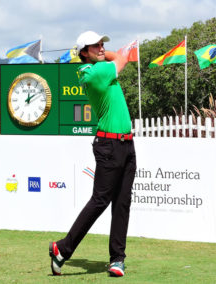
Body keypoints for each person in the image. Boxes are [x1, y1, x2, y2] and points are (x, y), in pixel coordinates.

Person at [49, 31, 136, 277]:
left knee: (122, 203)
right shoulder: (95, 73)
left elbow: (115, 56)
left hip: (127, 145)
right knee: (100, 201)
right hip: (109, 145)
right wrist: (104, 53)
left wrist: (98, 50)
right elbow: (122, 57)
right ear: (83, 52)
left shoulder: (97, 68)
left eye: (101, 43)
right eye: (95, 45)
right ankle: (62, 249)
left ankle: (117, 259)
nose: (101, 47)